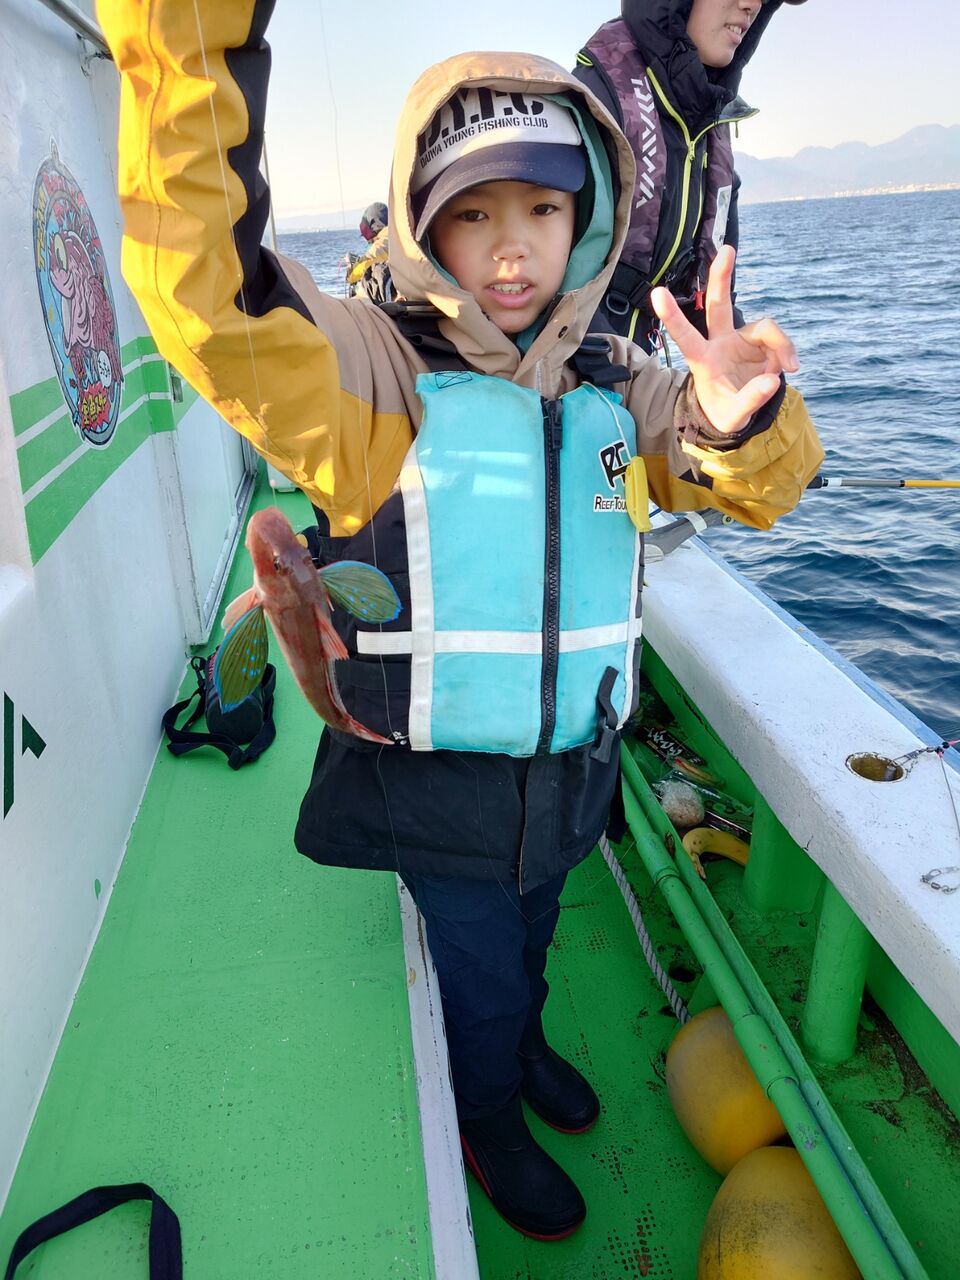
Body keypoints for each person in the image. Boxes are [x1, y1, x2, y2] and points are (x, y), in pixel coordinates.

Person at [97, 0, 823, 1243]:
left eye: (542, 206)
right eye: (473, 212)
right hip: (437, 790)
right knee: (479, 973)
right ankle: (488, 1112)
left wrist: (741, 417)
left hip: (572, 772)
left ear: (588, 218)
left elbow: (745, 482)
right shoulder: (371, 378)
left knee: (535, 934)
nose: (511, 246)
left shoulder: (621, 379)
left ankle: (524, 1045)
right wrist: (186, 33)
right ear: (423, 226)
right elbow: (212, 305)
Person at [575, 0, 808, 350]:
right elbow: (536, 284)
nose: (751, 5)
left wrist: (744, 360)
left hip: (636, 370)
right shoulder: (586, 107)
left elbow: (712, 309)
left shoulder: (706, 134)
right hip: (567, 369)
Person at [346, 200, 394, 303]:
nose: (368, 241)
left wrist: (351, 271)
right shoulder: (396, 234)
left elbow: (363, 268)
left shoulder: (384, 242)